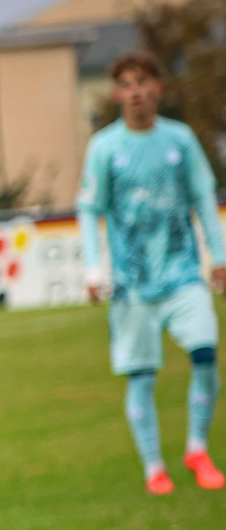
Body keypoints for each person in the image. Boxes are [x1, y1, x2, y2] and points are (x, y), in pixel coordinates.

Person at [77, 50, 225, 495]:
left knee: (206, 354)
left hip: (183, 275)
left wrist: (219, 256)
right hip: (132, 284)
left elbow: (204, 199)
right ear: (117, 95)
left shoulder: (180, 140)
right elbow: (89, 209)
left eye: (142, 82)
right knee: (141, 376)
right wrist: (93, 268)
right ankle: (154, 468)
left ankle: (197, 449)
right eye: (126, 84)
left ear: (158, 88)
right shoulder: (105, 147)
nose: (135, 91)